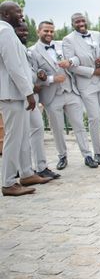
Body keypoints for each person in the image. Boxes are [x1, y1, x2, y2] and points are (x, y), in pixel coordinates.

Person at [30, 20, 95, 169]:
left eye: (51, 31)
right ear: (38, 31)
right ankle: (62, 157)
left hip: (71, 91)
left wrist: (70, 61)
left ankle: (87, 155)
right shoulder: (32, 51)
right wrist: (52, 79)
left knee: (79, 125)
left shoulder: (62, 44)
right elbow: (34, 76)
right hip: (52, 96)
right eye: (46, 31)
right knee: (57, 129)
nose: (49, 34)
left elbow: (78, 58)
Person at [62, 12, 100, 164]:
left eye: (83, 20)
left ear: (86, 21)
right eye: (77, 21)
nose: (81, 23)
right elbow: (71, 66)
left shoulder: (97, 34)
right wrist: (93, 72)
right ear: (73, 24)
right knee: (94, 117)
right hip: (86, 84)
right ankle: (97, 153)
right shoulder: (68, 40)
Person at [0, 2, 48, 196]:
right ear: (4, 13)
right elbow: (14, 66)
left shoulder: (6, 30)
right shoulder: (5, 32)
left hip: (15, 93)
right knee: (13, 138)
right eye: (17, 11)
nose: (21, 15)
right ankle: (8, 182)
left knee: (22, 136)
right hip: (13, 94)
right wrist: (28, 93)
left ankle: (26, 173)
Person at [15, 22, 60, 179]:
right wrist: (30, 87)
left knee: (37, 129)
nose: (23, 33)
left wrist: (40, 74)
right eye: (20, 30)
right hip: (20, 97)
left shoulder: (26, 50)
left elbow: (32, 69)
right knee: (21, 135)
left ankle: (41, 167)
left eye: (25, 31)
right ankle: (21, 170)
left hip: (32, 97)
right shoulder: (12, 48)